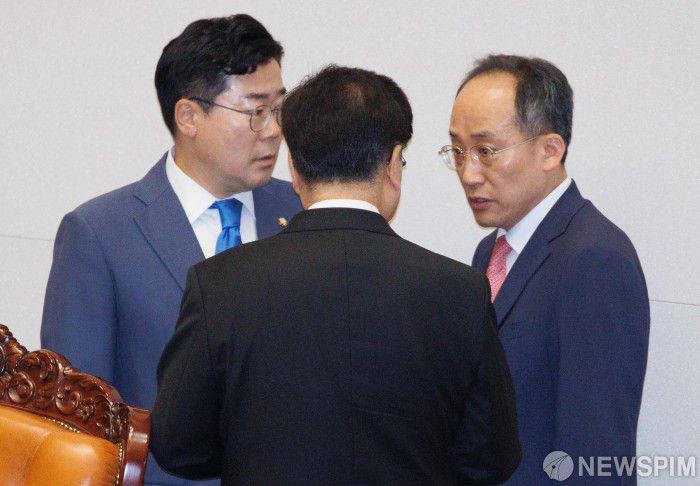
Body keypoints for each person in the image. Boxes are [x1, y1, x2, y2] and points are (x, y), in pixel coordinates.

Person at [152, 65, 521, 485]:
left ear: (294, 169)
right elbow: (492, 457)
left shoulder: (219, 284)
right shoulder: (461, 291)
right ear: (393, 164)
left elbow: (178, 447)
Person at [41, 14, 301, 486]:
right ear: (188, 117)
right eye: (256, 111)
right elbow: (73, 423)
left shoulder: (302, 214)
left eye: (279, 109)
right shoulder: (99, 234)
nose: (273, 131)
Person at [441, 54, 650, 484]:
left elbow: (598, 457)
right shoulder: (490, 251)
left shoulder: (595, 261)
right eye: (458, 151)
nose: (468, 173)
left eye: (486, 151)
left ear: (550, 150)